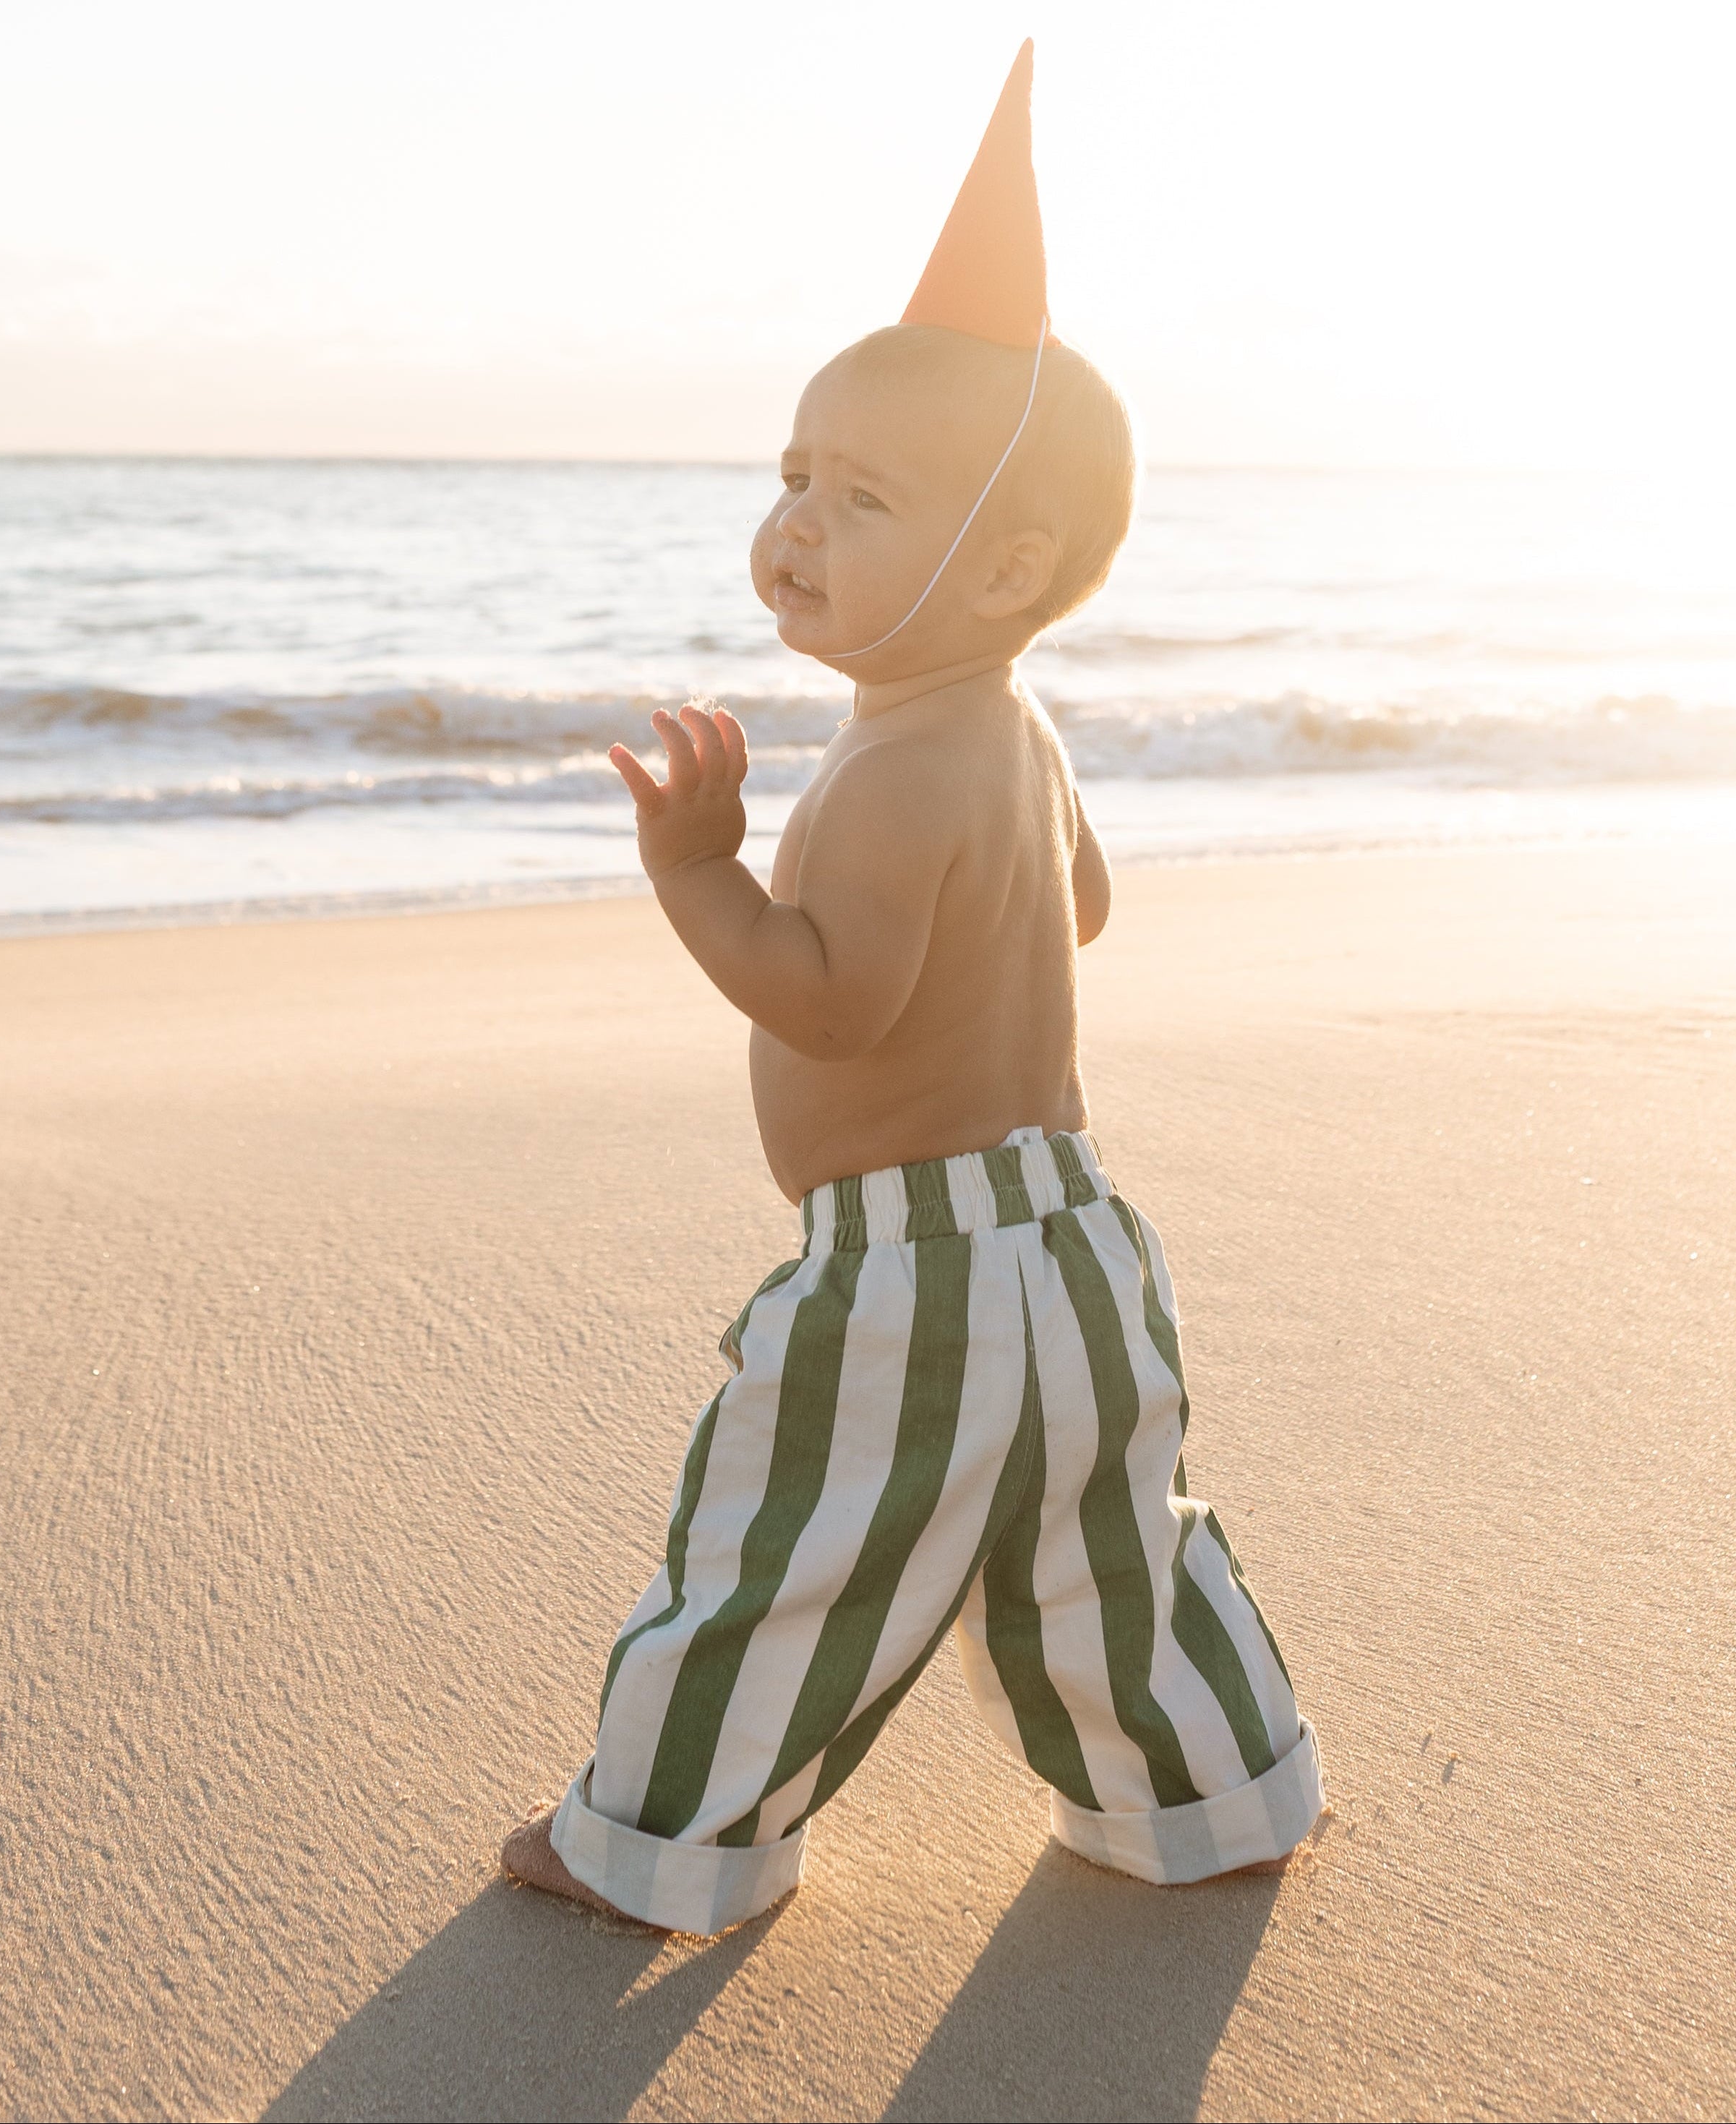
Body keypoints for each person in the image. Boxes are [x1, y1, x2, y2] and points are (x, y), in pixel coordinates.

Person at [503, 40, 1323, 1935]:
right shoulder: (1006, 729)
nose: (792, 522)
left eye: (859, 497)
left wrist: (698, 870)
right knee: (1107, 1547)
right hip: (1072, 1236)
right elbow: (1083, 908)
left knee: (787, 1545)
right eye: (791, 472)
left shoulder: (886, 771)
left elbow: (832, 1004)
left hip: (911, 1267)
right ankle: (1209, 1798)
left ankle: (654, 1845)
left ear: (1004, 560)